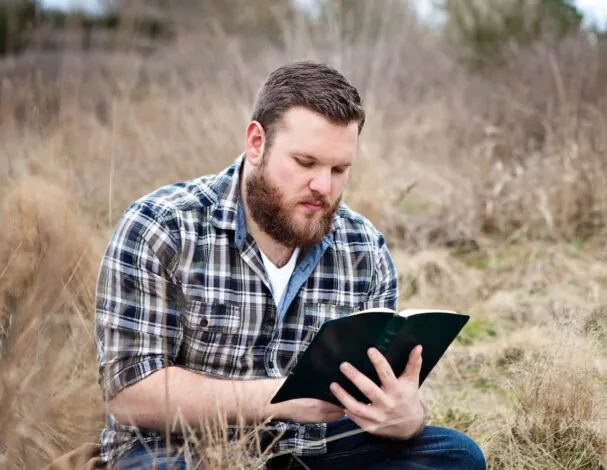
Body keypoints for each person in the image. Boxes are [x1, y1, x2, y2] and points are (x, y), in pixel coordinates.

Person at [94, 60, 486, 470]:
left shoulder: (363, 248)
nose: (324, 186)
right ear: (256, 142)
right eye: (306, 163)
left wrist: (406, 417)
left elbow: (378, 394)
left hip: (313, 451)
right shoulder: (161, 227)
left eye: (339, 169)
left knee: (456, 456)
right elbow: (129, 394)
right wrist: (279, 398)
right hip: (181, 451)